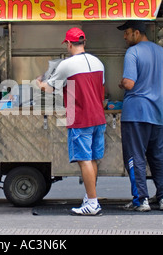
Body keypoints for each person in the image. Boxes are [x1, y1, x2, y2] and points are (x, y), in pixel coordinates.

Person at [37, 28, 106, 216]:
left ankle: (92, 203)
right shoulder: (98, 62)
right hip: (99, 117)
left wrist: (39, 83)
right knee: (91, 159)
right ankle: (90, 197)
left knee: (84, 160)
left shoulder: (66, 65)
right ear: (84, 42)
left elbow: (50, 89)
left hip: (81, 118)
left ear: (68, 44)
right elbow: (101, 89)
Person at [117, 20, 163, 211]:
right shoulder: (162, 52)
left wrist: (121, 83)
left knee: (135, 157)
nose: (124, 37)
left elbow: (129, 83)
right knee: (160, 158)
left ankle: (141, 200)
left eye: (126, 33)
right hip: (157, 114)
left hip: (135, 113)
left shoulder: (133, 52)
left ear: (136, 32)